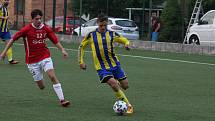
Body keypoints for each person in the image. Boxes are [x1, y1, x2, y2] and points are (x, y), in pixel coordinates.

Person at [0, 9, 70, 107]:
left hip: (45, 57)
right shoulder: (26, 29)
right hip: (32, 61)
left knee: (52, 76)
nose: (39, 21)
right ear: (32, 19)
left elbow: (55, 40)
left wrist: (62, 50)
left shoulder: (46, 28)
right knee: (41, 86)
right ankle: (41, 78)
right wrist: (4, 53)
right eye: (37, 19)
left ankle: (62, 100)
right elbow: (12, 39)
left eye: (40, 18)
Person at [78, 13, 133, 114]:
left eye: (105, 25)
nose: (103, 27)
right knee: (113, 84)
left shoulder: (112, 34)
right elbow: (82, 47)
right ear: (97, 23)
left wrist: (127, 44)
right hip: (101, 67)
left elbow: (125, 40)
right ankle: (128, 105)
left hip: (115, 65)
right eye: (100, 25)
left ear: (107, 24)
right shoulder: (91, 35)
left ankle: (116, 82)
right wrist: (81, 61)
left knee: (125, 86)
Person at [0, 0, 19, 64]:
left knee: (9, 43)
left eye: (8, 0)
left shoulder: (6, 8)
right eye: (6, 0)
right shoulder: (0, 7)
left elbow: (6, 18)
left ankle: (10, 60)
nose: (8, 2)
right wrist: (4, 18)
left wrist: (8, 21)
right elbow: (4, 17)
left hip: (5, 30)